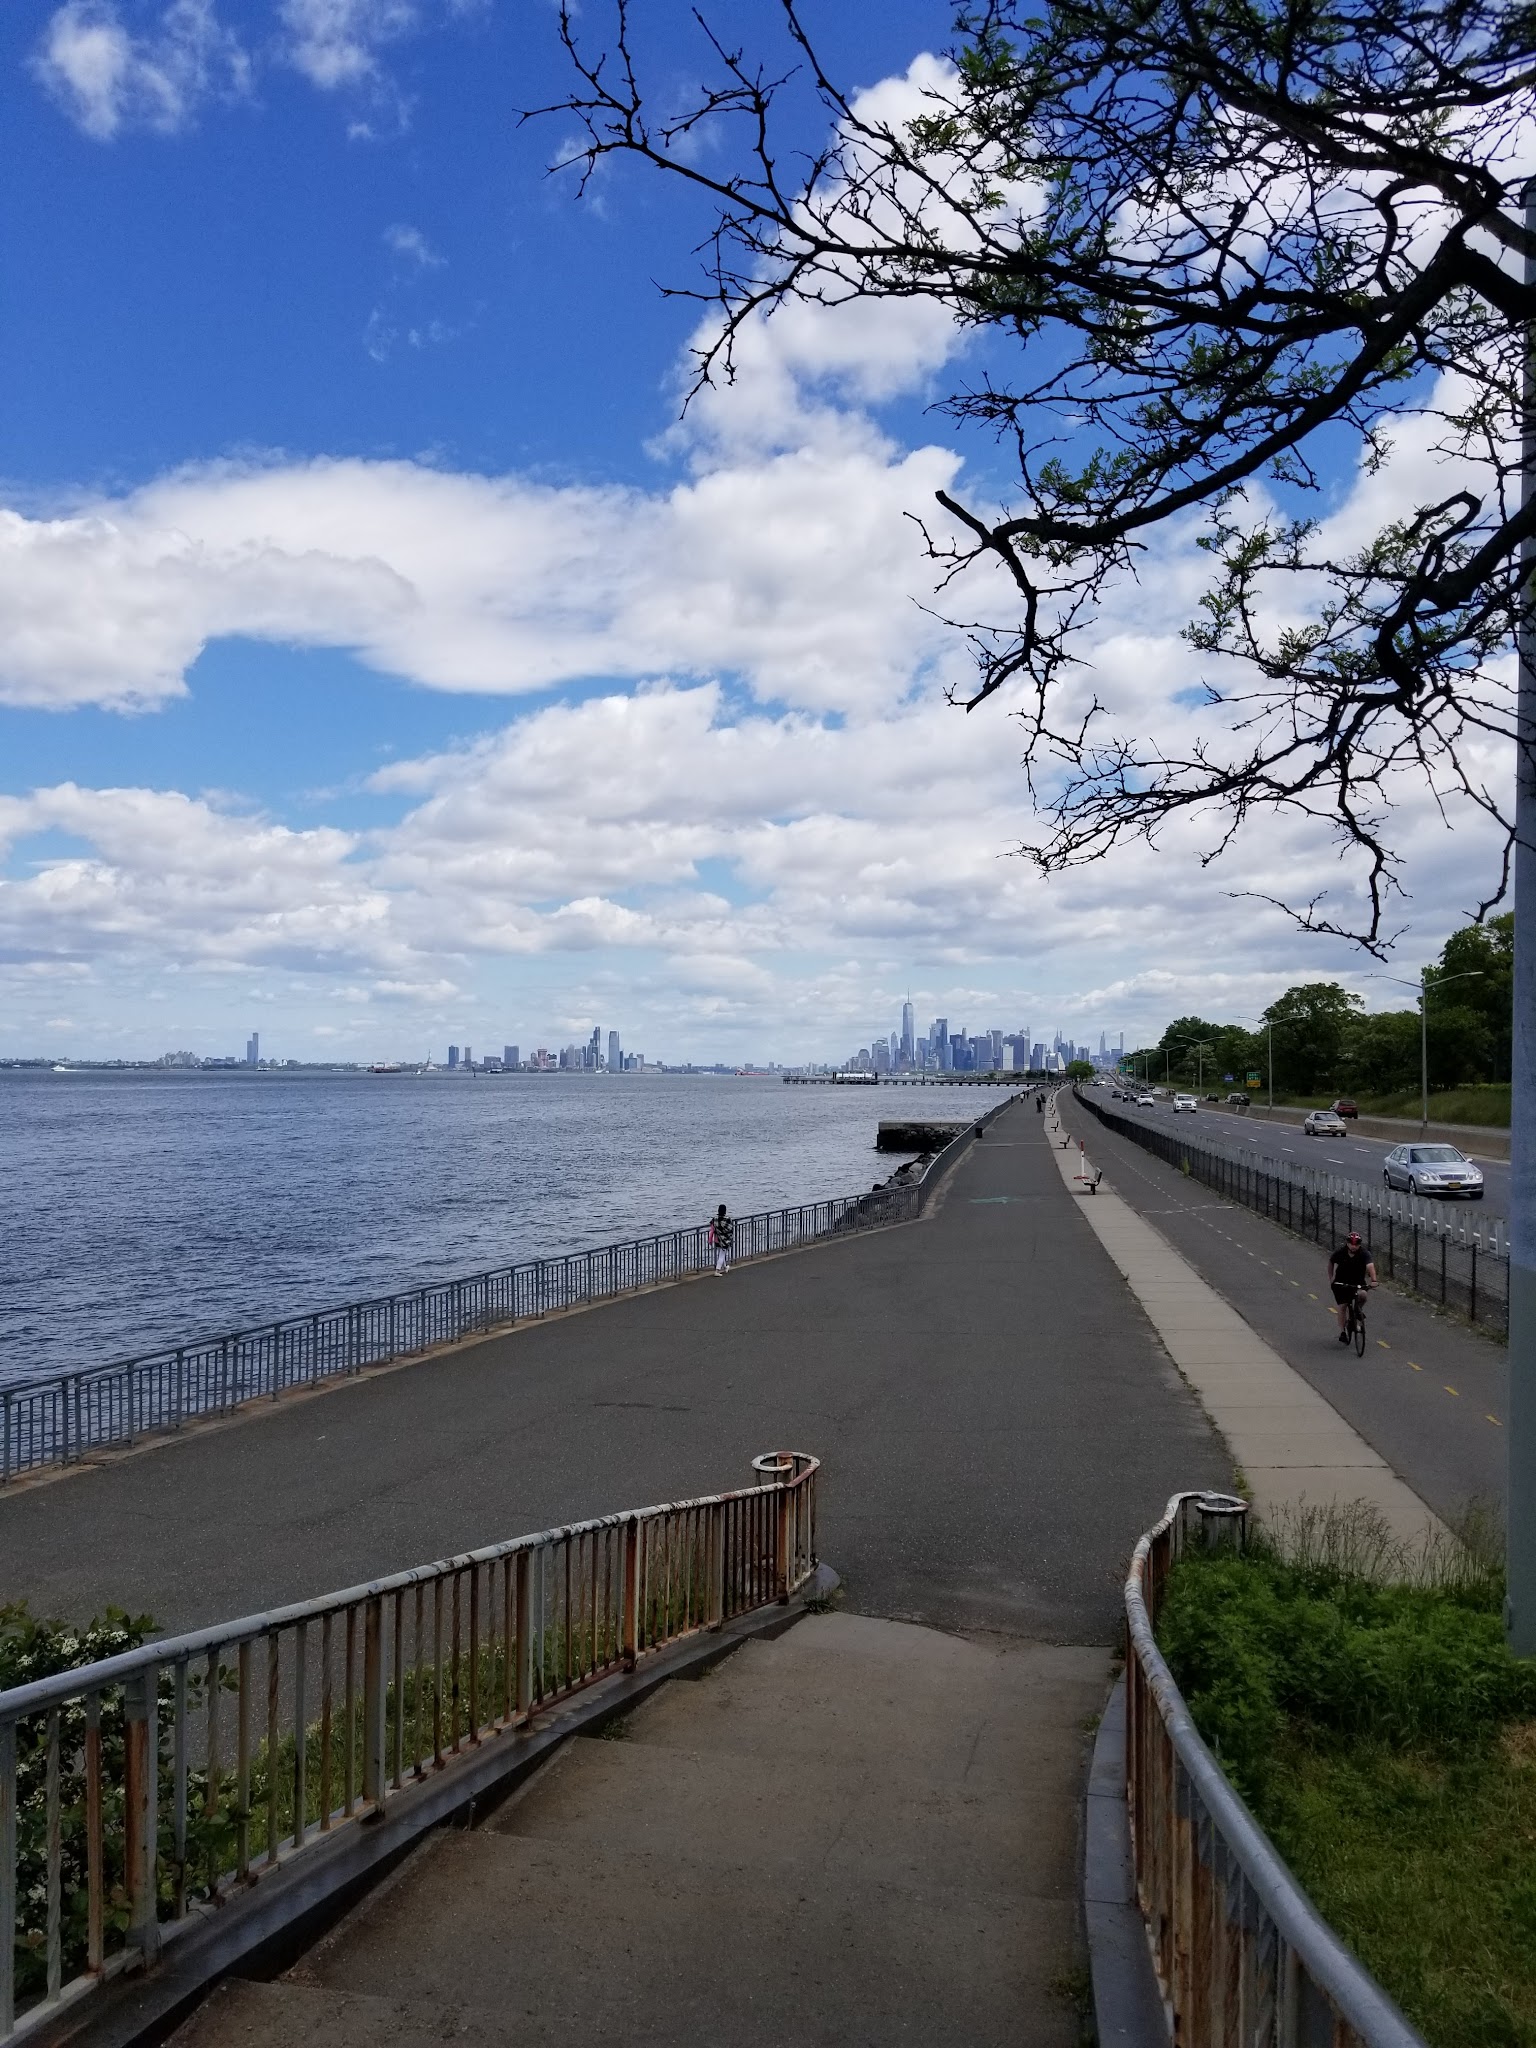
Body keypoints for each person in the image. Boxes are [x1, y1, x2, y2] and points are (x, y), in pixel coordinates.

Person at [1327, 1230, 1376, 1342]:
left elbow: (1370, 1266)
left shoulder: (1364, 1253)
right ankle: (1342, 1331)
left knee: (1363, 1295)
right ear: (1347, 1243)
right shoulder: (1340, 1252)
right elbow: (1330, 1262)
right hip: (1341, 1282)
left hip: (1357, 1281)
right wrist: (1331, 1278)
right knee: (1343, 1305)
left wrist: (1374, 1280)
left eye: (1356, 1245)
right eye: (1351, 1244)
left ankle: (1357, 1311)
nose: (1354, 1247)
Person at [709, 1203, 734, 1276]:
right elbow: (730, 1229)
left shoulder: (714, 1219)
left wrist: (710, 1239)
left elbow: (712, 1229)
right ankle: (717, 1271)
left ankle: (725, 1267)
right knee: (722, 1255)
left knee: (721, 1253)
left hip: (717, 1239)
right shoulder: (727, 1219)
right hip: (725, 1240)